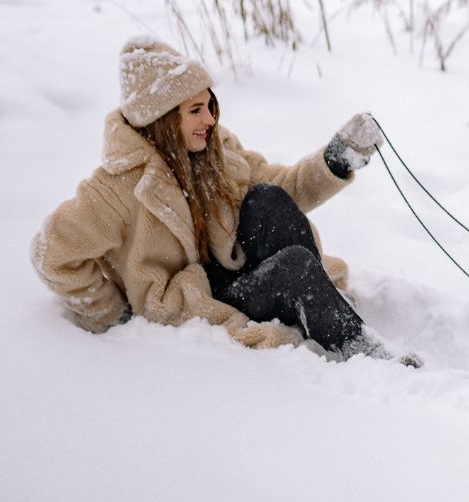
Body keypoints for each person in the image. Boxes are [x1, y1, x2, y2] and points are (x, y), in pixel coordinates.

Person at [31, 37, 419, 366]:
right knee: (295, 267)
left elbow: (284, 186)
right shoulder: (117, 188)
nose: (210, 120)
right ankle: (366, 356)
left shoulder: (216, 151)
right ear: (162, 120)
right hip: (199, 298)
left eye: (210, 106)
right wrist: (114, 313)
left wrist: (337, 158)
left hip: (232, 267)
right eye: (195, 110)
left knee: (267, 199)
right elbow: (52, 254)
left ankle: (322, 308)